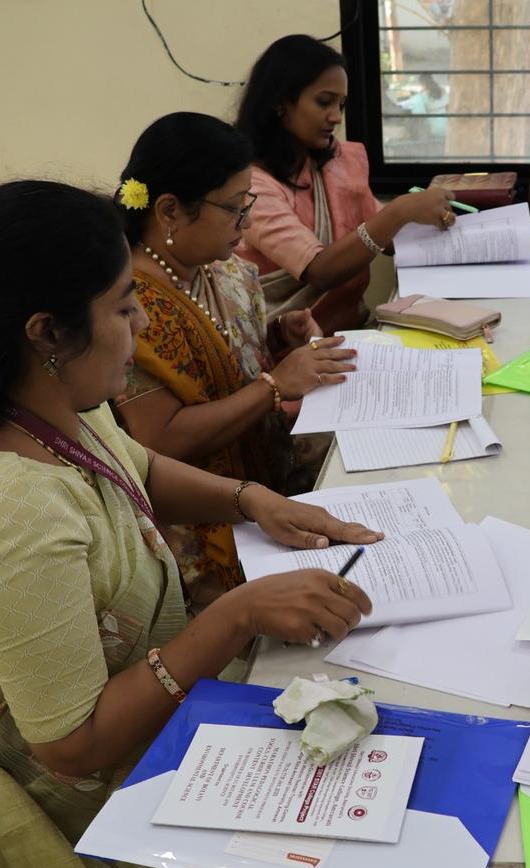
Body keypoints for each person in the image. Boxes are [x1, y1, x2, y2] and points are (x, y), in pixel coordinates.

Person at [0, 180, 381, 868]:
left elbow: (136, 466)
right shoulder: (13, 510)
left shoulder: (48, 403)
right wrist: (234, 616)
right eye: (123, 309)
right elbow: (72, 746)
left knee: (349, 713)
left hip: (134, 710)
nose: (143, 324)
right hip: (92, 803)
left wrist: (254, 501)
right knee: (349, 823)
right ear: (47, 332)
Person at [114, 111, 357, 608]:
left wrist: (277, 336)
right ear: (169, 211)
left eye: (247, 205)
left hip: (260, 480)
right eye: (232, 209)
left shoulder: (227, 274)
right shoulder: (130, 310)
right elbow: (160, 439)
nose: (244, 228)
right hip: (197, 524)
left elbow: (224, 360)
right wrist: (273, 386)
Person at [234, 34, 457, 334]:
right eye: (324, 102)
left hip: (352, 332)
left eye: (341, 104)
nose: (336, 117)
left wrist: (440, 225)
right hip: (291, 350)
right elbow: (320, 271)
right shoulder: (251, 185)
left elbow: (386, 238)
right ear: (280, 102)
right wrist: (400, 211)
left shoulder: (334, 161)